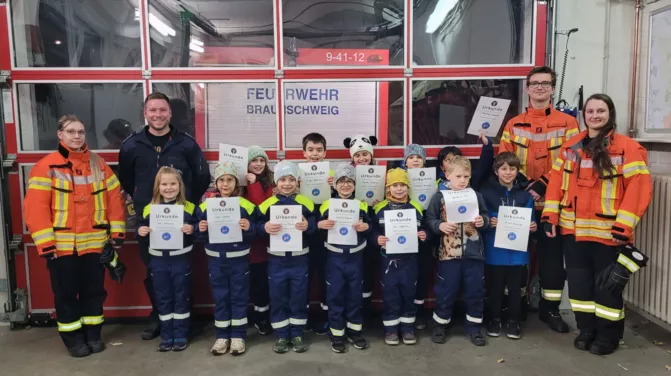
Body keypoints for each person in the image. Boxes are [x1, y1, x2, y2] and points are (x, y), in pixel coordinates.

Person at [542, 93, 652, 355]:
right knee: (579, 288)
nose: (595, 116)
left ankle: (608, 336)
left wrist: (623, 227)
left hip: (608, 234)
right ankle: (586, 330)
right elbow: (556, 184)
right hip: (573, 231)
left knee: (607, 288)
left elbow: (639, 190)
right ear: (584, 115)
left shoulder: (628, 148)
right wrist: (550, 216)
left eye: (600, 111)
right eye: (590, 111)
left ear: (610, 114)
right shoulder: (571, 146)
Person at [24, 115, 126, 357]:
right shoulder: (45, 167)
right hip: (62, 247)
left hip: (95, 244)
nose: (77, 136)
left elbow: (115, 199)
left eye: (80, 132)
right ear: (60, 135)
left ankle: (93, 335)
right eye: (71, 132)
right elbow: (35, 209)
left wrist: (118, 232)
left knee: (94, 293)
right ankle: (73, 339)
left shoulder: (99, 164)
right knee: (67, 294)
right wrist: (46, 244)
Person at [118, 92, 211, 340]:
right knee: (153, 270)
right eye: (153, 110)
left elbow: (202, 176)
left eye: (162, 110)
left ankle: (184, 319)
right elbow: (126, 179)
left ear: (170, 113)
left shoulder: (186, 143)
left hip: (180, 220)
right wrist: (142, 204)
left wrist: (186, 206)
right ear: (145, 113)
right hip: (148, 220)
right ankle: (159, 316)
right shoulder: (131, 145)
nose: (158, 115)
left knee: (182, 271)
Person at [499, 66, 580, 333]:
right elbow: (505, 161)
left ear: (553, 89)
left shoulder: (569, 124)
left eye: (546, 84)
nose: (540, 88)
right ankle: (518, 304)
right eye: (535, 83)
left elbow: (571, 161)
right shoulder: (513, 124)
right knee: (518, 256)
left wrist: (543, 186)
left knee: (552, 261)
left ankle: (550, 310)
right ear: (527, 88)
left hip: (553, 204)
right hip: (521, 202)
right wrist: (524, 186)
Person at [425, 156, 489, 346]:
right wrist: (439, 225)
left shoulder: (476, 196)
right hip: (448, 255)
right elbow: (429, 219)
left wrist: (482, 221)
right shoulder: (439, 197)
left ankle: (474, 328)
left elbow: (485, 216)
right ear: (447, 175)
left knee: (475, 291)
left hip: (474, 255)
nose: (462, 180)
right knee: (446, 290)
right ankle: (440, 325)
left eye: (466, 176)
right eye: (458, 176)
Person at [197, 162, 258, 356]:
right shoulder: (206, 206)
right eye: (221, 180)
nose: (225, 184)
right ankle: (222, 336)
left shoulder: (247, 206)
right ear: (216, 183)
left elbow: (257, 231)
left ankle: (238, 336)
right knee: (221, 298)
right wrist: (201, 229)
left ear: (236, 182)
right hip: (216, 261)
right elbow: (197, 234)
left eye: (229, 180)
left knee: (239, 298)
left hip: (239, 261)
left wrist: (248, 227)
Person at [257, 161, 316, 354]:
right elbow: (256, 225)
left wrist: (309, 226)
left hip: (300, 259)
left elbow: (316, 224)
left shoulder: (306, 202)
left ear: (297, 181)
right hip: (277, 261)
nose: (287, 183)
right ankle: (282, 334)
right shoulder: (267, 205)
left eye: (291, 179)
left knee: (298, 296)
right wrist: (264, 227)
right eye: (282, 179)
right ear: (276, 182)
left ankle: (297, 333)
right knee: (278, 297)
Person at [137, 167, 198, 352]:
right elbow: (140, 226)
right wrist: (140, 231)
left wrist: (192, 229)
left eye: (173, 183)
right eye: (164, 184)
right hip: (158, 261)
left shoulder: (189, 207)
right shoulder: (150, 209)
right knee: (163, 298)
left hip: (180, 260)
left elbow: (199, 229)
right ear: (157, 187)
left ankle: (180, 334)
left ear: (180, 186)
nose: (168, 188)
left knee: (181, 297)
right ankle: (166, 335)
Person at [480, 152, 537, 339]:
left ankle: (514, 322)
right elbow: (480, 220)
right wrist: (489, 222)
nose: (508, 172)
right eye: (503, 168)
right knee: (495, 289)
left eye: (512, 169)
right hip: (494, 252)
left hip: (518, 253)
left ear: (517, 171)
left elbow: (531, 220)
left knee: (515, 290)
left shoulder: (524, 196)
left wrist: (532, 226)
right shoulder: (486, 194)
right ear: (496, 171)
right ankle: (494, 320)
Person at [318, 163, 371, 353]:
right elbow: (317, 230)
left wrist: (367, 228)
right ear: (335, 185)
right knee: (335, 296)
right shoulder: (326, 205)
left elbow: (371, 228)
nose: (346, 185)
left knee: (355, 297)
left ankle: (354, 332)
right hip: (334, 258)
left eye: (349, 181)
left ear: (355, 184)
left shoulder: (362, 204)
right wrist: (320, 225)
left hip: (356, 258)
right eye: (341, 181)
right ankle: (337, 334)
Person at [371, 168, 427, 346]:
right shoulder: (379, 209)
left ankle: (408, 328)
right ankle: (391, 329)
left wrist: (425, 235)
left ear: (408, 187)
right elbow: (372, 231)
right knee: (390, 295)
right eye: (395, 185)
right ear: (388, 188)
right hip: (388, 261)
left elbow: (426, 228)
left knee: (409, 293)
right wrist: (376, 239)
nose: (399, 189)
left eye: (403, 185)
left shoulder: (416, 208)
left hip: (410, 260)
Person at [343, 134, 379, 317]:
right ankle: (352, 311)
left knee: (369, 270)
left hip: (371, 229)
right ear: (352, 157)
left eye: (365, 154)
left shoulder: (381, 174)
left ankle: (365, 311)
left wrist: (380, 203)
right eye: (357, 155)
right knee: (354, 273)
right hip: (351, 230)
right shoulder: (345, 175)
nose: (362, 158)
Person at [242, 145, 275, 336]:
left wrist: (254, 184)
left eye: (262, 160)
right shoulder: (237, 182)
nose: (259, 164)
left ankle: (262, 318)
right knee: (243, 284)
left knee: (260, 283)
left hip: (260, 244)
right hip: (239, 244)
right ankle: (246, 316)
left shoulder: (270, 184)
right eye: (254, 160)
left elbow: (261, 209)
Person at [302, 132, 332, 334]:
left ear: (325, 153)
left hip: (327, 237)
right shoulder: (294, 177)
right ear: (304, 153)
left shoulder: (333, 177)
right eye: (311, 150)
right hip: (302, 237)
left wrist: (335, 188)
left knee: (325, 277)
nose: (315, 154)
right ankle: (301, 319)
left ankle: (324, 318)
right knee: (303, 278)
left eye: (319, 150)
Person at [401, 144, 433, 330]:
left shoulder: (432, 180)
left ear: (424, 161)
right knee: (405, 275)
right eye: (411, 157)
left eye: (418, 157)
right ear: (405, 161)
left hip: (424, 232)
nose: (415, 160)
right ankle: (405, 312)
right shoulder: (396, 178)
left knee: (422, 273)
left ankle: (419, 313)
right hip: (401, 233)